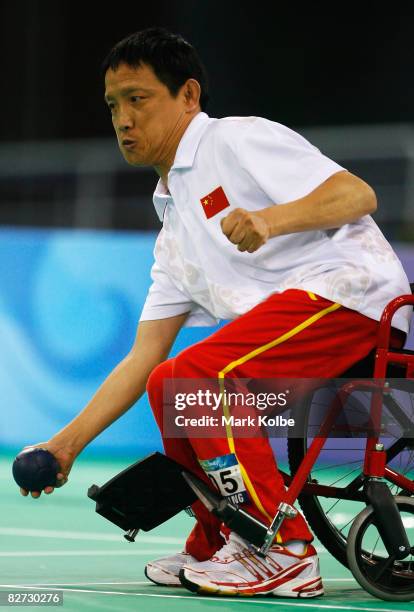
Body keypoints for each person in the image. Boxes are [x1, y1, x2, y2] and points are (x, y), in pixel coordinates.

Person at [19, 27, 411, 598]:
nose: (123, 120)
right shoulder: (173, 231)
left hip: (353, 301)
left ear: (188, 96)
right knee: (167, 383)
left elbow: (357, 195)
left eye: (138, 99)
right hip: (300, 330)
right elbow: (142, 356)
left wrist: (270, 220)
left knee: (199, 374)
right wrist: (65, 445)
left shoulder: (235, 141)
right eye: (112, 106)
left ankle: (284, 549)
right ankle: (221, 539)